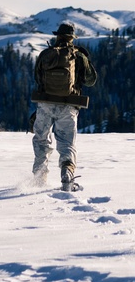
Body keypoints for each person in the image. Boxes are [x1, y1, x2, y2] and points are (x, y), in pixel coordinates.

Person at [31, 23, 98, 191]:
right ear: (72, 38)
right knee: (67, 142)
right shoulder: (78, 56)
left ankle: (39, 178)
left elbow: (37, 77)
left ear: (57, 36)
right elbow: (91, 81)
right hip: (68, 105)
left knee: (41, 140)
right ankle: (67, 172)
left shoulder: (46, 54)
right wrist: (85, 61)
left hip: (45, 103)